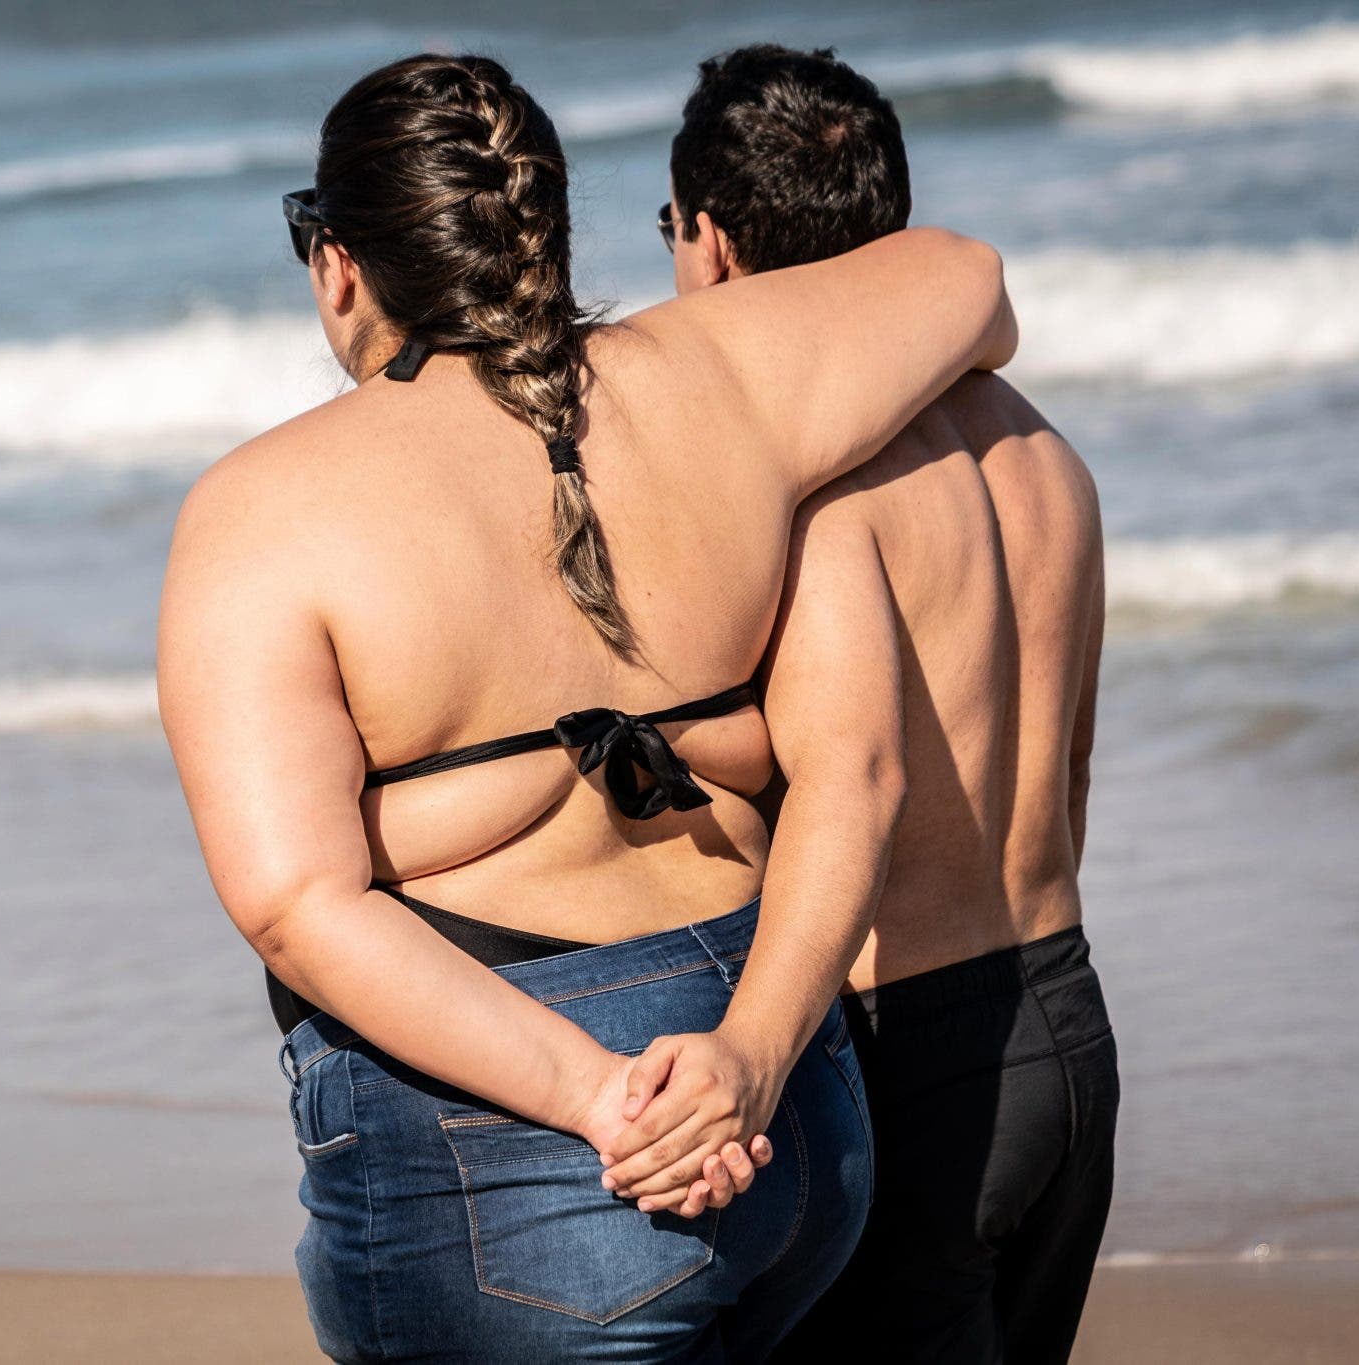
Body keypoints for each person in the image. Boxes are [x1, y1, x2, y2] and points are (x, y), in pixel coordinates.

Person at [158, 52, 1016, 1362]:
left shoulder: (261, 509)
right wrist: (744, 1061)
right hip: (792, 1118)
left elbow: (296, 902)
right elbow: (966, 278)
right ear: (546, 226)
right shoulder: (721, 381)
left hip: (533, 1170)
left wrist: (607, 1100)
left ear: (340, 262)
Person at [595, 45, 1116, 1363]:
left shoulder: (823, 493)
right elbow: (1068, 768)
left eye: (671, 230)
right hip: (1064, 1019)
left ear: (708, 242)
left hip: (908, 1055)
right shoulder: (1043, 448)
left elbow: (852, 776)